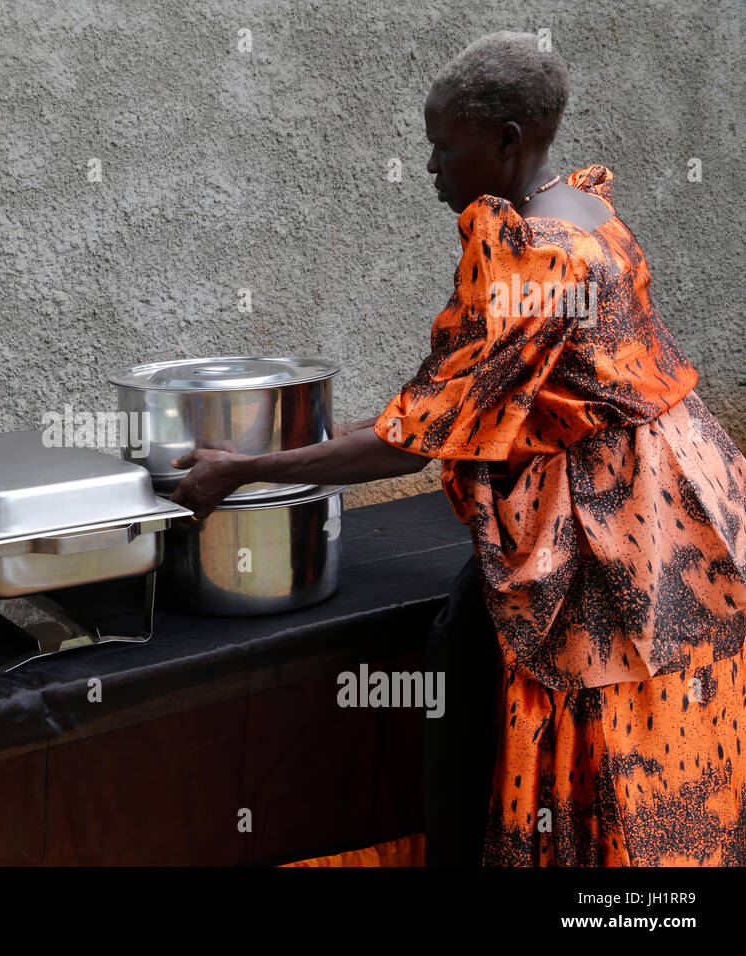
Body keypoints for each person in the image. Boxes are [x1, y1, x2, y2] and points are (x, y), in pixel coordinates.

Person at [170, 31, 746, 866]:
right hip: (684, 492)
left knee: (576, 709)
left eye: (445, 147)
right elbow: (452, 400)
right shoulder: (582, 212)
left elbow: (416, 441)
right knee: (642, 711)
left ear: (506, 140)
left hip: (612, 520)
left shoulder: (531, 260)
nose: (432, 167)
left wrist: (245, 470)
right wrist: (320, 440)